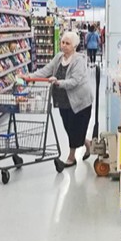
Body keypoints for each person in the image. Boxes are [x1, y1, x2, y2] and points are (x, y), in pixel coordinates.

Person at [30, 30, 94, 166]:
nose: (64, 45)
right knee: (69, 128)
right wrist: (31, 76)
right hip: (63, 101)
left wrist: (58, 82)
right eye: (63, 42)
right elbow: (47, 70)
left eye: (68, 43)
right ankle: (87, 143)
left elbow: (74, 81)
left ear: (74, 46)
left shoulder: (79, 60)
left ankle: (71, 158)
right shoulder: (59, 57)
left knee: (74, 130)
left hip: (80, 101)